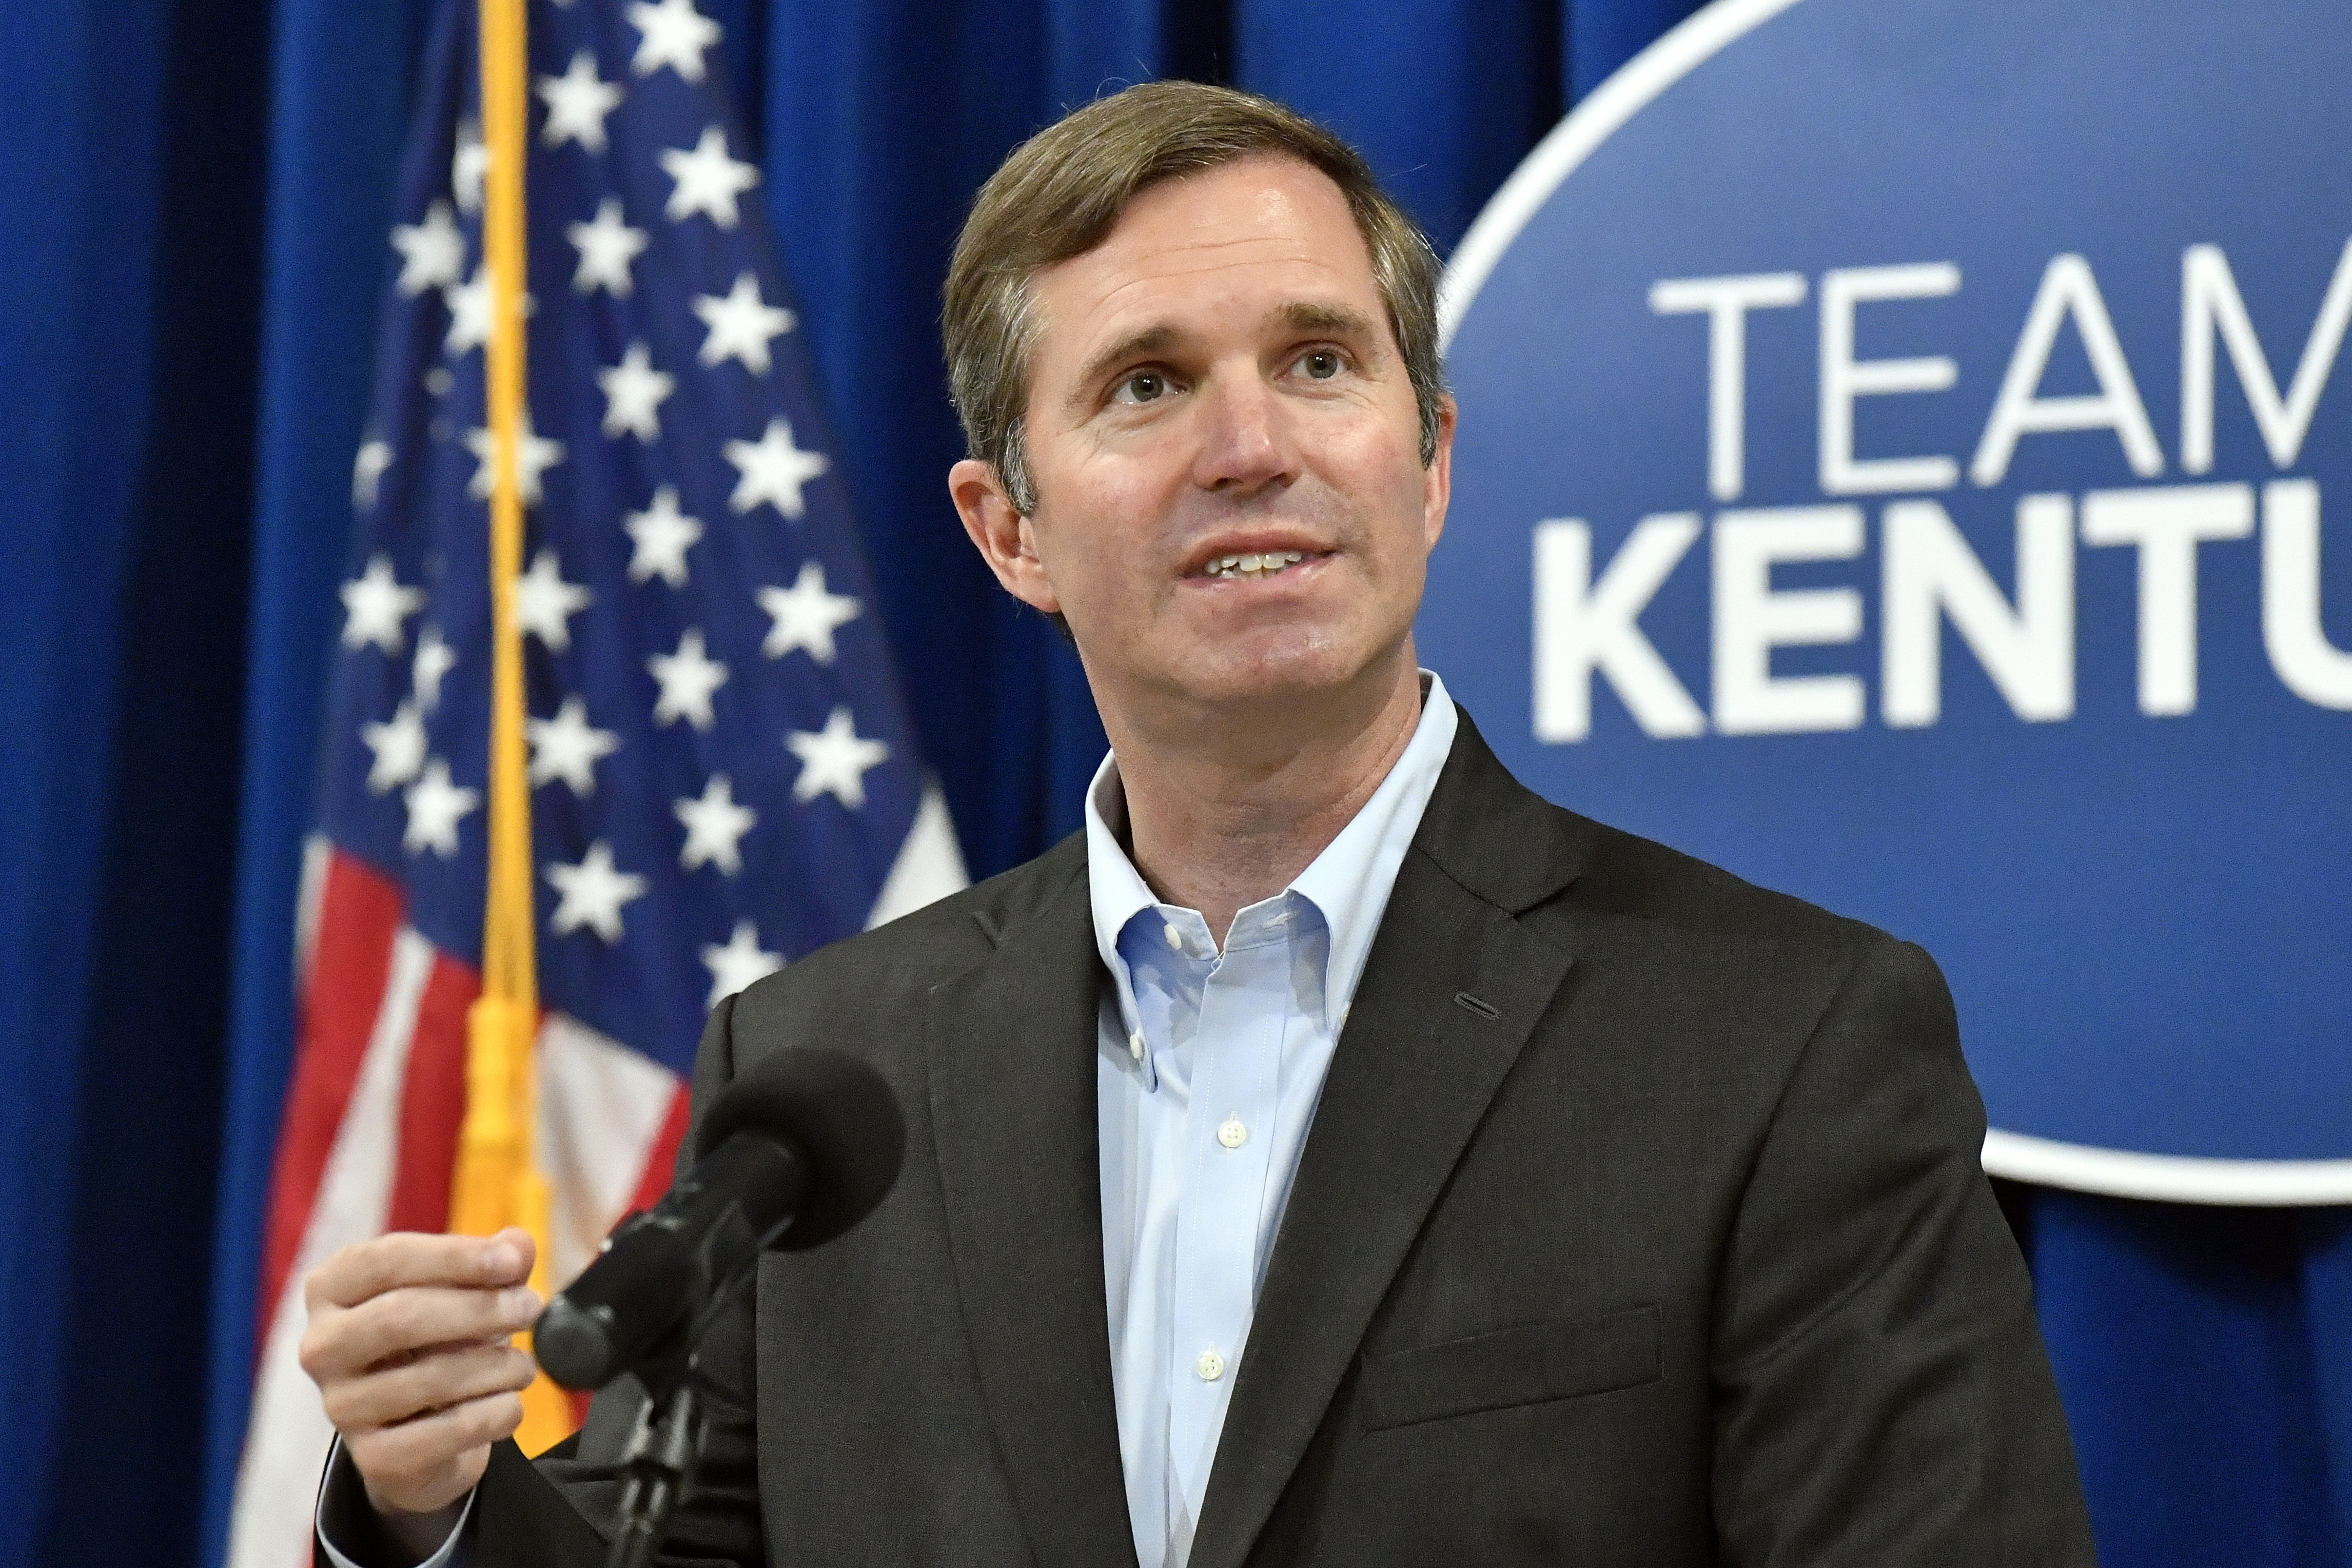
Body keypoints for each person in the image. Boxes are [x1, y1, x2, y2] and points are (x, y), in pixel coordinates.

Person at [300, 81, 2098, 1568]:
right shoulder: (824, 1077)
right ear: (1007, 532)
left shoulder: (1775, 1043)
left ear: (1433, 457)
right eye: (1147, 386)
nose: (1254, 444)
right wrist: (436, 1504)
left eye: (1320, 362)